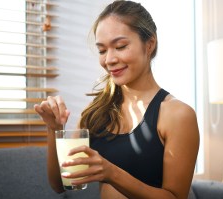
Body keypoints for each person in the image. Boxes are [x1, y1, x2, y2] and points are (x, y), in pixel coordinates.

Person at [34, 0, 199, 198]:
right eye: (102, 50)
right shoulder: (97, 112)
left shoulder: (177, 114)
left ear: (150, 44)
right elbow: (60, 184)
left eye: (120, 46)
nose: (109, 59)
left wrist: (111, 173)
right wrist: (53, 129)